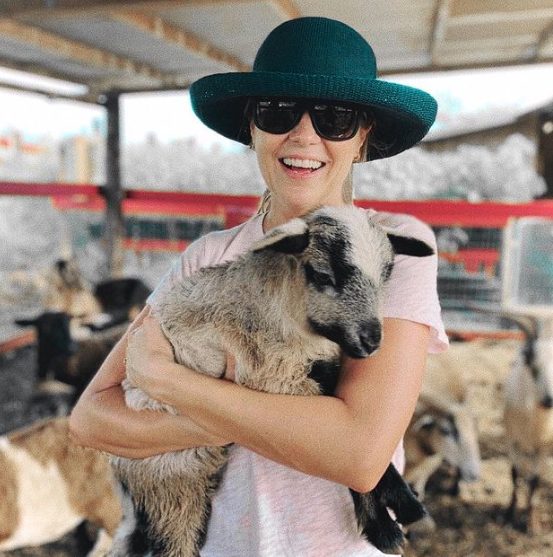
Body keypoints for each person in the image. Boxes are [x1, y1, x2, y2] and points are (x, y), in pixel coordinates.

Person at [70, 16, 448, 557]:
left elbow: (360, 454)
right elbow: (92, 418)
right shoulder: (208, 258)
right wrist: (280, 417)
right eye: (277, 112)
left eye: (335, 118)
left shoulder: (391, 246)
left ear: (363, 136)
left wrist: (172, 385)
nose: (303, 135)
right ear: (252, 126)